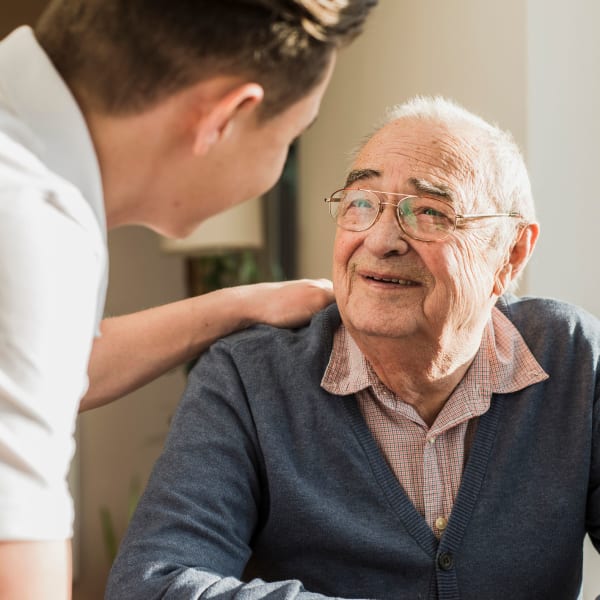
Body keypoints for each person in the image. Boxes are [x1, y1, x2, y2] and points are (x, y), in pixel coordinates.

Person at [105, 96, 600, 600]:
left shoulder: (573, 358)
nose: (382, 239)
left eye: (429, 211)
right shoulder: (248, 379)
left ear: (511, 253)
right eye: (361, 203)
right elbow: (153, 585)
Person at [0, 0, 378, 597]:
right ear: (226, 117)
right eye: (290, 139)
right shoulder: (32, 227)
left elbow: (42, 367)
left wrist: (237, 304)